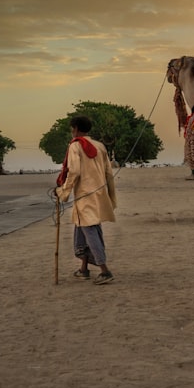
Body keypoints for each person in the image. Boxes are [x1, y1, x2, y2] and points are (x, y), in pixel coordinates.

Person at [55, 115, 118, 285]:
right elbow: (109, 173)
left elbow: (73, 171)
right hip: (98, 194)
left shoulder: (75, 146)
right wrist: (111, 197)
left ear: (75, 128)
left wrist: (63, 192)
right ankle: (84, 268)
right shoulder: (100, 146)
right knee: (83, 229)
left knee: (90, 230)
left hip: (85, 195)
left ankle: (105, 271)